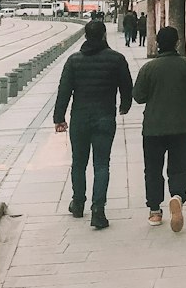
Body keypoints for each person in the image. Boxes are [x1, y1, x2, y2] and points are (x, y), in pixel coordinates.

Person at [53, 19, 133, 229]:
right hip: (105, 117)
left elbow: (64, 91)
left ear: (85, 36)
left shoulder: (73, 61)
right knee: (102, 164)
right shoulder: (116, 59)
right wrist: (125, 105)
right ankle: (98, 209)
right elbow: (127, 86)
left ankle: (78, 203)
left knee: (79, 162)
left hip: (79, 117)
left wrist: (59, 118)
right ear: (104, 35)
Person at [132, 25, 186, 231]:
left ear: (157, 44)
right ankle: (177, 196)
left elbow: (138, 96)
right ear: (177, 43)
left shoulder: (148, 69)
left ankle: (155, 211)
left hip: (153, 128)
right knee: (180, 166)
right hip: (181, 125)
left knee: (153, 169)